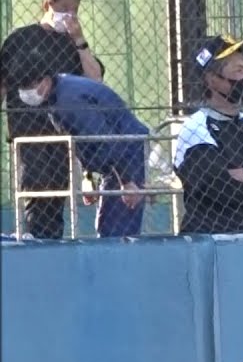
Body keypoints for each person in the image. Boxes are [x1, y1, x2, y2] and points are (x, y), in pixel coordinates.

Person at [0, 0, 105, 239]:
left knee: (58, 190)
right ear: (48, 5)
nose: (69, 15)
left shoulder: (71, 45)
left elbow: (95, 79)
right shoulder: (20, 39)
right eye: (64, 8)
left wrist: (79, 40)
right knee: (37, 185)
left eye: (74, 10)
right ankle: (35, 237)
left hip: (61, 130)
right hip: (28, 129)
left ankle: (52, 239)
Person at [10, 66, 148, 238]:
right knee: (108, 227)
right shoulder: (57, 94)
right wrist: (89, 176)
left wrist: (126, 181)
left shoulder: (68, 101)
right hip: (118, 153)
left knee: (117, 231)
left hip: (126, 152)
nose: (26, 92)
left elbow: (104, 139)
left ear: (45, 81)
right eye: (22, 87)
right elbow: (85, 141)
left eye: (29, 86)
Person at [173, 35, 243, 234]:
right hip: (214, 237)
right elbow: (222, 190)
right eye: (238, 71)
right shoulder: (195, 128)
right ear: (212, 79)